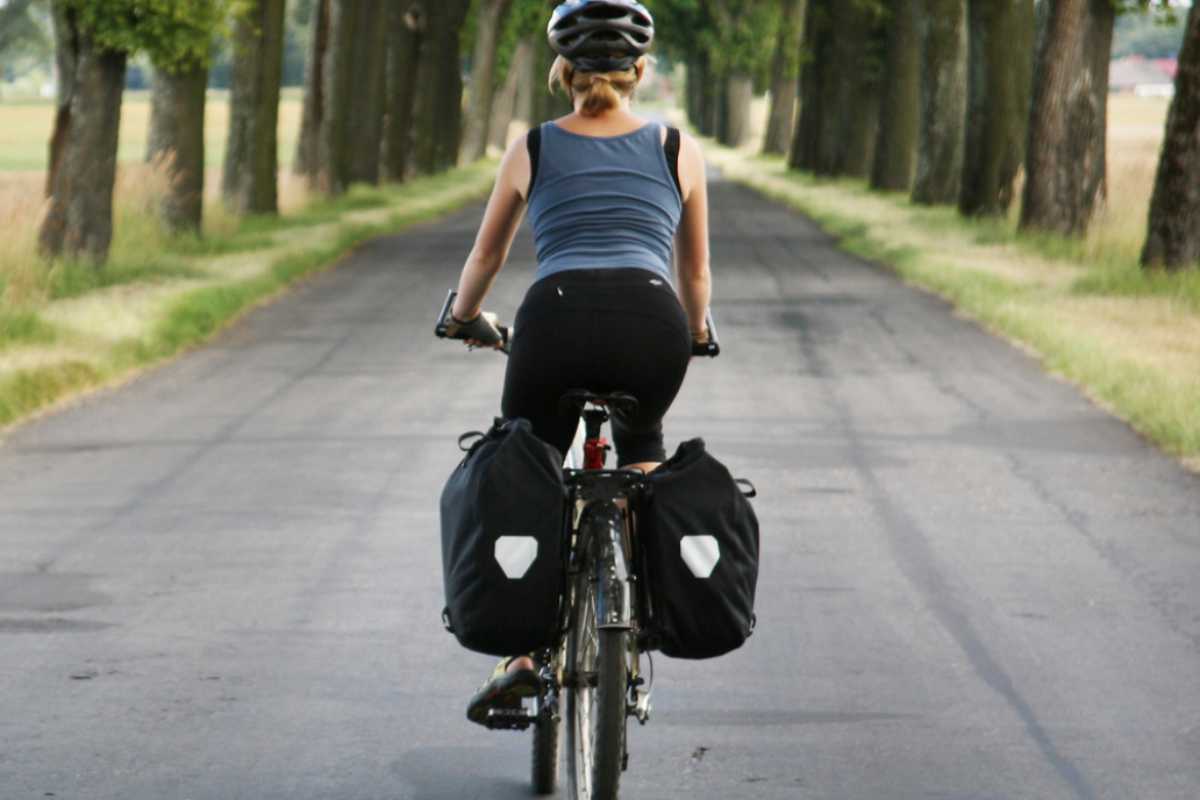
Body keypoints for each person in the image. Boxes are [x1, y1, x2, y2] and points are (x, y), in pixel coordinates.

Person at [444, 0, 711, 726]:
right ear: (640, 72)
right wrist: (695, 331)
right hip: (653, 320)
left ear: (562, 73)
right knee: (645, 454)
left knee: (526, 460)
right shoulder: (676, 147)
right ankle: (647, 614)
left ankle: (527, 654)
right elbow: (694, 278)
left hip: (553, 318)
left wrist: (463, 317)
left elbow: (488, 253)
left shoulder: (531, 145)